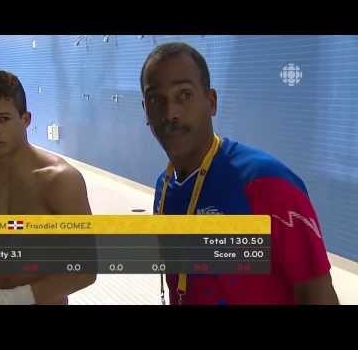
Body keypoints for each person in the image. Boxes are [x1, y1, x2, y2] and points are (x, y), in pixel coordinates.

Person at [140, 42, 339, 305]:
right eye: (156, 99)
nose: (170, 112)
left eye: (184, 95)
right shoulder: (164, 188)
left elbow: (318, 295)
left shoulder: (266, 183)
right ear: (145, 111)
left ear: (211, 102)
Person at [0, 70, 96, 305]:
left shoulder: (59, 181)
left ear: (25, 120)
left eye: (3, 119)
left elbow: (85, 270)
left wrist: (6, 299)